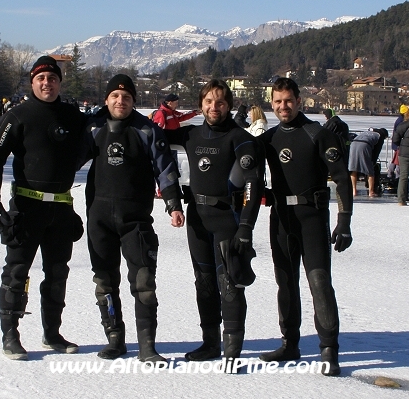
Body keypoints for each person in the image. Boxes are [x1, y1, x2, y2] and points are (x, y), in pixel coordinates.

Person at [0, 56, 85, 361]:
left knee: (57, 274)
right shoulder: (18, 116)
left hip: (61, 209)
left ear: (59, 83)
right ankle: (10, 335)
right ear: (32, 82)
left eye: (52, 78)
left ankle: (52, 333)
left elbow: (100, 139)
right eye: (41, 79)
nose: (47, 83)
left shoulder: (73, 116)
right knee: (17, 272)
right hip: (27, 209)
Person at [79, 74, 185, 364]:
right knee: (104, 281)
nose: (120, 101)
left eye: (126, 97)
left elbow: (165, 169)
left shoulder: (147, 130)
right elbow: (67, 161)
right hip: (99, 218)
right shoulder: (94, 128)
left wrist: (173, 203)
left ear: (133, 101)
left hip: (135, 219)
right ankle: (115, 338)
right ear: (107, 99)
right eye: (115, 96)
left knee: (144, 282)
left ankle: (147, 345)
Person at [163, 79, 264, 372]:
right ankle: (209, 343)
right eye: (208, 101)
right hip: (197, 217)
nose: (213, 107)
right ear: (200, 104)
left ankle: (232, 350)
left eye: (220, 102)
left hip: (226, 219)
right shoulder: (191, 135)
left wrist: (246, 226)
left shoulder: (239, 138)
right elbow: (155, 136)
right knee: (204, 283)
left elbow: (253, 185)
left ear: (229, 105)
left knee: (230, 284)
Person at [257, 77, 353, 377]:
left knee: (319, 282)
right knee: (285, 283)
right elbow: (245, 171)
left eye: (288, 100)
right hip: (281, 219)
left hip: (312, 218)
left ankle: (329, 350)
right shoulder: (268, 139)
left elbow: (341, 178)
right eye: (278, 102)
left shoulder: (317, 134)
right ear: (271, 105)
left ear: (299, 101)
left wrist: (344, 221)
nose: (283, 106)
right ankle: (290, 343)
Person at [348, 128, 388, 197]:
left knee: (353, 168)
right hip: (365, 146)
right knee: (370, 171)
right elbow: (376, 151)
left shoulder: (368, 132)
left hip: (353, 144)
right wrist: (373, 162)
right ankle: (371, 192)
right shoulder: (380, 136)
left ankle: (354, 191)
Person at [388, 104, 408, 179]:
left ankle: (391, 172)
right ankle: (397, 175)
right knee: (398, 160)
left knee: (396, 159)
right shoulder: (401, 121)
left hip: (397, 143)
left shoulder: (400, 120)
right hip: (398, 144)